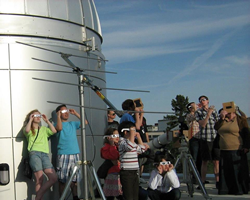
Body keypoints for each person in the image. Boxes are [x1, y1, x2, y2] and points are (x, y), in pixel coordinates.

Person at [23, 109, 57, 200]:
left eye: (39, 116)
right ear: (31, 117)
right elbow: (26, 131)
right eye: (35, 116)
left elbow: (54, 131)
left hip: (45, 154)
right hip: (34, 154)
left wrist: (47, 121)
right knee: (39, 179)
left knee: (53, 178)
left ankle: (38, 197)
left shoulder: (44, 129)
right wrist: (30, 120)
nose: (38, 118)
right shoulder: (29, 128)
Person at [215, 107, 250, 195]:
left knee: (237, 171)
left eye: (229, 112)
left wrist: (246, 146)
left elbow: (246, 133)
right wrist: (222, 118)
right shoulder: (223, 121)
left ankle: (239, 189)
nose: (228, 114)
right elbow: (216, 128)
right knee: (225, 171)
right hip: (224, 149)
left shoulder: (239, 120)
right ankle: (225, 189)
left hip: (236, 148)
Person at [55, 104, 81, 200]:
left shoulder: (72, 124)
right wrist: (58, 116)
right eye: (63, 111)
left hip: (75, 153)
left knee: (74, 179)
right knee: (62, 179)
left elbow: (85, 122)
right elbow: (59, 128)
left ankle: (75, 197)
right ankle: (62, 198)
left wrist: (75, 113)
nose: (66, 113)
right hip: (63, 154)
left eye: (66, 111)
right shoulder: (56, 124)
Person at [195, 95, 220, 188]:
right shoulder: (198, 112)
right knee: (205, 161)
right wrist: (208, 114)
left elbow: (217, 123)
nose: (202, 101)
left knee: (216, 161)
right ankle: (203, 181)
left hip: (214, 137)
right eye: (200, 100)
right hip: (205, 138)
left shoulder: (214, 111)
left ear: (208, 101)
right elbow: (203, 124)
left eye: (203, 100)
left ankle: (218, 181)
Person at [118, 121, 147, 200]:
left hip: (134, 171)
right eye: (132, 131)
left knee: (135, 196)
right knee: (129, 196)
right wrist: (132, 135)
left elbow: (142, 149)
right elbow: (129, 147)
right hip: (126, 172)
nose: (134, 133)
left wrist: (139, 137)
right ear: (125, 132)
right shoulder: (122, 142)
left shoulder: (133, 143)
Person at [101, 128, 123, 200]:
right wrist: (112, 145)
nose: (117, 137)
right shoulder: (105, 148)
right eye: (114, 135)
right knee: (111, 196)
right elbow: (114, 156)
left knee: (121, 194)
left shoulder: (120, 146)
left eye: (118, 135)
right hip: (112, 174)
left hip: (120, 173)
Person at [186, 102, 202, 178]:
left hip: (201, 138)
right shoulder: (189, 115)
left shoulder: (200, 113)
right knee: (194, 158)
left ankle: (201, 176)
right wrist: (195, 109)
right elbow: (194, 117)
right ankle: (194, 177)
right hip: (194, 138)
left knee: (201, 158)